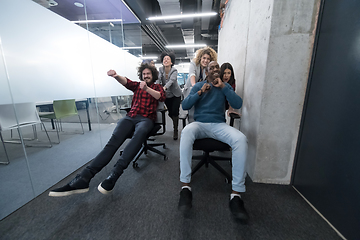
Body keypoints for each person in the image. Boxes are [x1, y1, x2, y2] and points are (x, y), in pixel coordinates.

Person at [49, 63, 166, 197]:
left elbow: (160, 97)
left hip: (146, 119)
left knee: (139, 135)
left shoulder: (157, 87)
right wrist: (116, 76)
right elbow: (126, 82)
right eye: (144, 74)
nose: (146, 76)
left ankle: (114, 174)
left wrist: (146, 89)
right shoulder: (137, 86)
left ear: (153, 75)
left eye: (148, 74)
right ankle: (84, 178)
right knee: (112, 143)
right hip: (131, 117)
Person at [178, 61, 249, 222]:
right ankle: (185, 187)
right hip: (200, 124)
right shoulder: (199, 86)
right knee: (186, 131)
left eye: (217, 67)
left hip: (218, 125)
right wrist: (200, 92)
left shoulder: (224, 87)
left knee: (240, 139)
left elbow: (238, 103)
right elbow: (185, 105)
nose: (215, 70)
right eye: (212, 68)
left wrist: (224, 87)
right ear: (206, 71)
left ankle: (236, 194)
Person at [182, 46, 217, 122]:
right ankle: (191, 123)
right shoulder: (194, 64)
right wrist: (195, 86)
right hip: (191, 89)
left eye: (208, 59)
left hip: (201, 91)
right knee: (191, 108)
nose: (206, 60)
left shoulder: (208, 69)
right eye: (204, 58)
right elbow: (192, 75)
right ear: (200, 58)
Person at [157, 52, 182, 140]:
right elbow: (158, 79)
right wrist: (157, 87)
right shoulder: (160, 69)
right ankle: (175, 119)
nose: (166, 60)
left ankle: (175, 129)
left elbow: (171, 81)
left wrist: (163, 87)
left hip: (176, 94)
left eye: (168, 59)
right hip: (166, 96)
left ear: (171, 62)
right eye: (164, 59)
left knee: (175, 111)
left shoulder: (174, 70)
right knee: (170, 113)